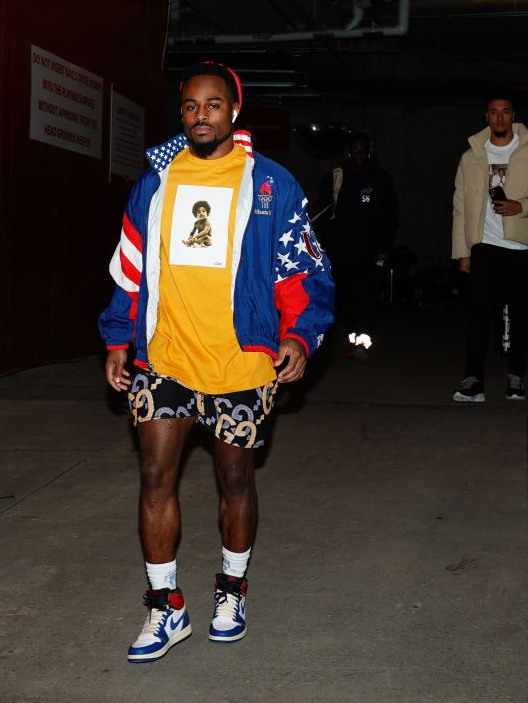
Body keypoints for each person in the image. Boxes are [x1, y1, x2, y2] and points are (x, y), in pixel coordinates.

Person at [98, 61, 335, 663]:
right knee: (155, 478)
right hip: (165, 358)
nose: (199, 116)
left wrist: (299, 336)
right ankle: (164, 608)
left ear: (234, 110)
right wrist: (119, 337)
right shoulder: (155, 180)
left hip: (241, 364)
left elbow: (303, 270)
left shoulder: (271, 185)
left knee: (235, 481)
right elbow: (129, 266)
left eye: (211, 105)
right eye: (189, 107)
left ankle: (231, 590)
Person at [451, 96, 528, 402]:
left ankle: (516, 377)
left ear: (513, 116)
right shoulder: (470, 155)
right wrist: (463, 252)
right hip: (484, 246)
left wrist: (522, 206)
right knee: (477, 314)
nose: (500, 118)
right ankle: (473, 380)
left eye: (505, 112)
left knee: (522, 314)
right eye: (494, 112)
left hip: (520, 247)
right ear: (486, 117)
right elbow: (460, 206)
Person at [315, 132, 399, 358]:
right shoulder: (335, 178)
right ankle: (351, 338)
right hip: (343, 252)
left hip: (372, 253)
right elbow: (322, 214)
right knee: (345, 297)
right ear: (349, 153)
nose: (359, 155)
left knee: (369, 295)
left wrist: (384, 249)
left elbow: (392, 217)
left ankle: (364, 340)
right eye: (355, 151)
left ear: (369, 152)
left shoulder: (381, 179)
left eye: (363, 151)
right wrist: (331, 244)